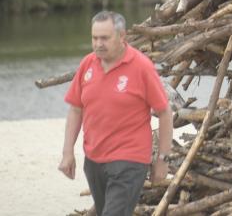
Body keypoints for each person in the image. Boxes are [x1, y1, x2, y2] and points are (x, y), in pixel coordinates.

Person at [58, 11, 174, 216]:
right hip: (94, 160)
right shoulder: (87, 64)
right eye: (94, 38)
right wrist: (68, 152)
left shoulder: (141, 67)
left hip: (129, 160)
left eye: (104, 38)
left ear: (122, 36)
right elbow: (76, 109)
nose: (98, 44)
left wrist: (162, 159)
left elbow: (164, 113)